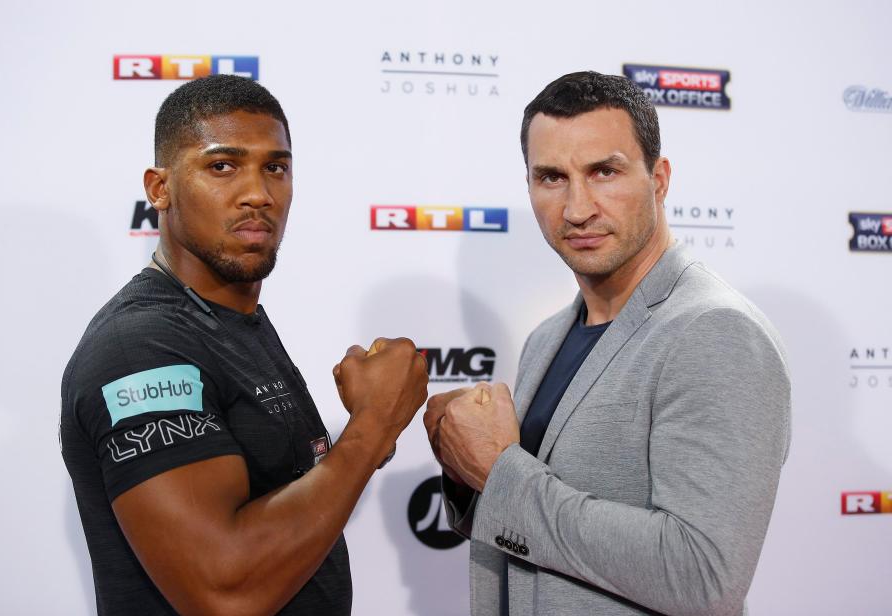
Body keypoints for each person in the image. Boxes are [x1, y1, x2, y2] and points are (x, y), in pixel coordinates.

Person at [424, 71, 791, 615]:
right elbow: (521, 525)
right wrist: (464, 471)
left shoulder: (714, 331)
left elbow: (702, 577)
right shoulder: (546, 337)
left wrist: (497, 472)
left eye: (603, 172)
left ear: (659, 179)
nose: (577, 209)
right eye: (551, 177)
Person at [61, 74, 428, 615]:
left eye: (275, 168)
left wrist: (364, 435)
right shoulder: (140, 349)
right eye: (222, 166)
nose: (258, 194)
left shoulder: (234, 319)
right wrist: (373, 427)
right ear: (159, 188)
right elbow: (225, 593)